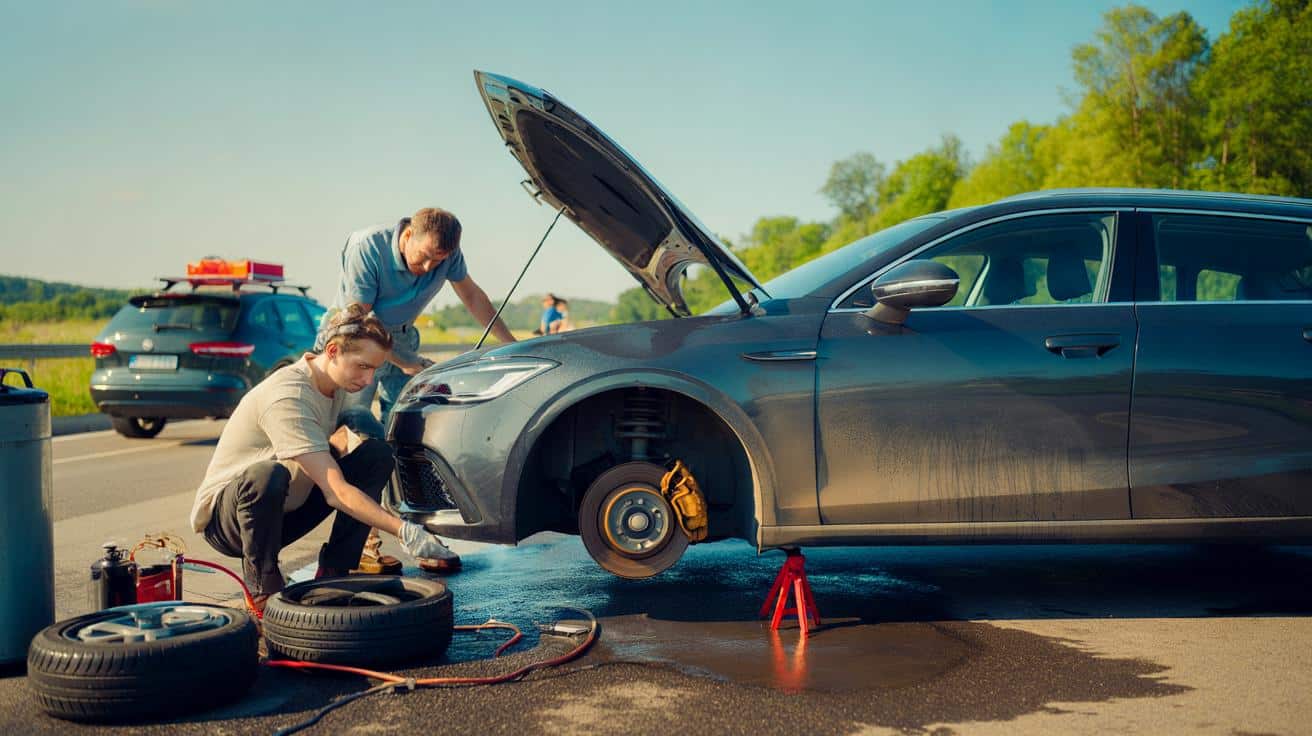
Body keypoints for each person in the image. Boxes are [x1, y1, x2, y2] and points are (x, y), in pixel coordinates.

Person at [189, 305, 461, 610]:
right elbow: (335, 492)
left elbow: (349, 447)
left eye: (374, 369)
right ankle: (263, 588)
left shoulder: (335, 384)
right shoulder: (287, 394)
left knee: (375, 456)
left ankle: (335, 570)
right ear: (332, 351)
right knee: (268, 474)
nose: (369, 380)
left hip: (283, 511)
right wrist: (404, 530)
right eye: (362, 367)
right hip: (232, 523)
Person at [318, 207, 516, 437]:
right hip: (356, 338)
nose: (427, 268)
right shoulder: (367, 247)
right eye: (424, 256)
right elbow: (361, 322)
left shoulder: (448, 254)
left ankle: (392, 470)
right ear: (409, 234)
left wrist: (510, 345)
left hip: (402, 337)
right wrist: (406, 361)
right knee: (351, 419)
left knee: (403, 420)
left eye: (437, 261)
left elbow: (473, 297)